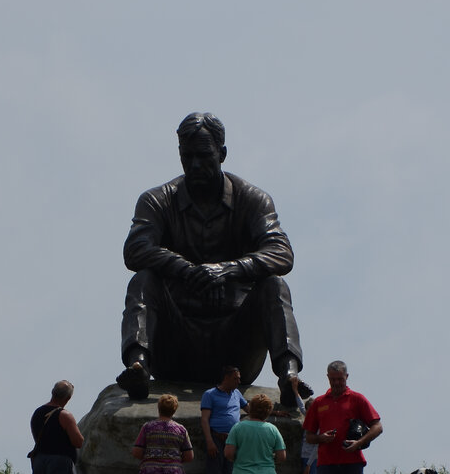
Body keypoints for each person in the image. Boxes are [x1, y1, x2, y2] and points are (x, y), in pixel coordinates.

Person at [116, 112, 307, 404]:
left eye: (204, 156)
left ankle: (289, 375)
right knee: (143, 280)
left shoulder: (253, 199)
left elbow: (282, 253)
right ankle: (137, 366)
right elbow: (135, 250)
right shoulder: (157, 200)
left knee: (274, 285)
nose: (195, 165)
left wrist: (228, 270)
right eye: (187, 156)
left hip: (235, 349)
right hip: (176, 345)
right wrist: (185, 269)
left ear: (222, 154)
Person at [303, 361, 383, 474]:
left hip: (352, 461)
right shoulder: (319, 403)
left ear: (347, 377)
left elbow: (377, 426)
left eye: (340, 379)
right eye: (333, 379)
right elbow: (309, 436)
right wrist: (321, 437)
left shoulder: (357, 399)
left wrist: (359, 443)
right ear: (328, 378)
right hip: (327, 462)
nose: (337, 383)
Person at [200, 366, 249, 474]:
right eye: (236, 378)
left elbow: (250, 409)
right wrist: (209, 441)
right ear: (226, 378)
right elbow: (204, 419)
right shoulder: (210, 394)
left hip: (233, 441)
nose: (239, 381)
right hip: (216, 439)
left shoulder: (237, 394)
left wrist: (273, 412)